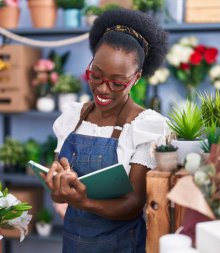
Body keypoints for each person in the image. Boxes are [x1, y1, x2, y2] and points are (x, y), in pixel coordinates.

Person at [43, 8, 169, 253]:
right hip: (73, 244)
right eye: (96, 75)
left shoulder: (144, 127)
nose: (102, 89)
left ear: (136, 78)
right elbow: (59, 198)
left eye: (117, 83)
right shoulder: (72, 118)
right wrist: (56, 185)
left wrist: (85, 202)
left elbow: (133, 205)